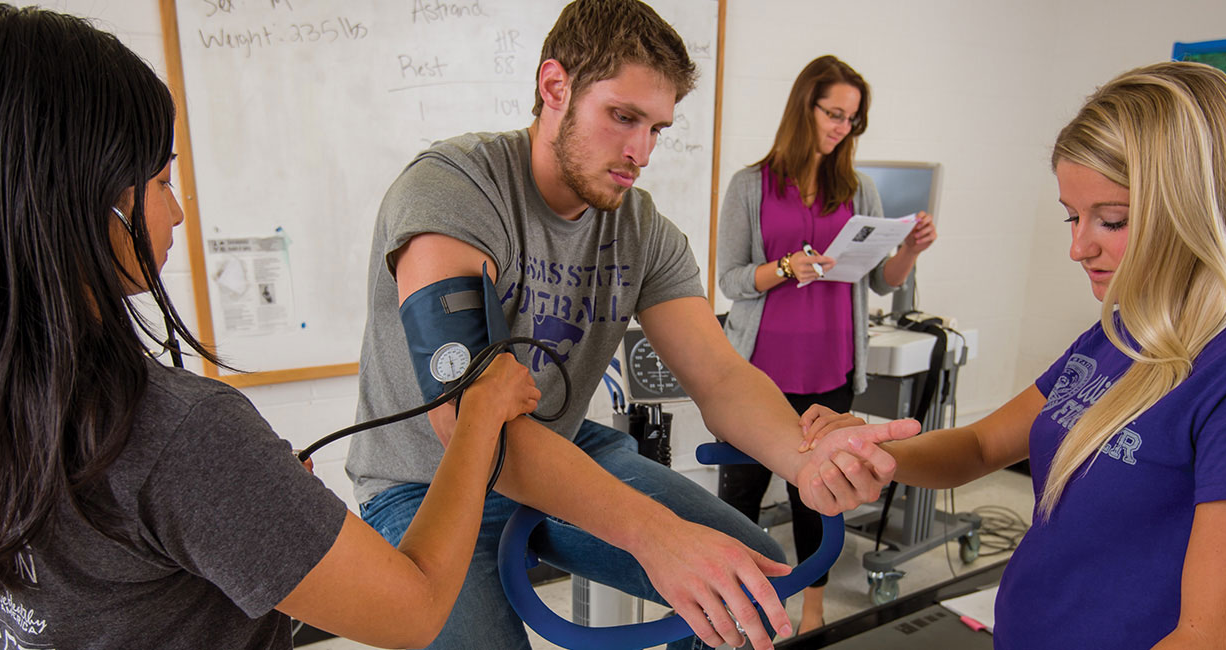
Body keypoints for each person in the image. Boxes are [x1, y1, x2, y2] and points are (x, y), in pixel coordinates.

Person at [0, 6, 541, 649]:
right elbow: (414, 611)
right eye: (161, 179)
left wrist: (247, 509)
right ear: (84, 200)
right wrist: (479, 413)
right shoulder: (178, 433)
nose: (176, 212)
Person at [345, 1, 910, 649]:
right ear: (555, 87)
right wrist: (652, 533)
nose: (640, 151)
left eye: (657, 129)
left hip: (561, 443)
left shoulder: (641, 229)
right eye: (623, 117)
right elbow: (465, 417)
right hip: (425, 481)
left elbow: (721, 377)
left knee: (747, 583)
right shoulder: (452, 189)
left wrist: (805, 457)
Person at [799, 61, 1226, 649]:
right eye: (1072, 216)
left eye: (1113, 219)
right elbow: (979, 445)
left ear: (1196, 204)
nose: (1078, 246)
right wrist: (874, 444)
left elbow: (1212, 639)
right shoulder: (1132, 328)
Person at [714, 54, 937, 633]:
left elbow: (882, 283)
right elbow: (732, 279)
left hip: (831, 366)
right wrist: (787, 267)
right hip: (760, 373)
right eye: (833, 113)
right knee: (739, 498)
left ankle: (812, 607)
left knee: (819, 496)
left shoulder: (860, 190)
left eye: (852, 119)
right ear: (804, 106)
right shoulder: (750, 185)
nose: (842, 127)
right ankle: (735, 606)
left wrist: (908, 251)